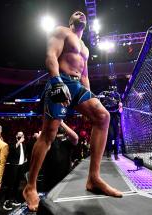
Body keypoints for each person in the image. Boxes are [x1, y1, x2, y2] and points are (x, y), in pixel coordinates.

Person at [23, 10, 122, 211]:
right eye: (76, 13)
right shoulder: (61, 31)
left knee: (103, 116)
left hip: (78, 86)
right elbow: (50, 55)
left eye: (84, 14)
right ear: (70, 21)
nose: (81, 13)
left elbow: (85, 75)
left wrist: (91, 96)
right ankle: (30, 186)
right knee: (48, 134)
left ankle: (94, 178)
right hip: (61, 80)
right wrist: (55, 80)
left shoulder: (85, 47)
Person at [41, 121, 78, 192]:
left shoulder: (67, 142)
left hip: (64, 176)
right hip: (50, 178)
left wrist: (61, 122)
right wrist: (61, 123)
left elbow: (75, 137)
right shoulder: (49, 142)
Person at [3, 131, 27, 210]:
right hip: (13, 166)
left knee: (17, 184)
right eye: (19, 135)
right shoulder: (12, 142)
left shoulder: (23, 144)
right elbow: (11, 150)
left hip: (20, 166)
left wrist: (25, 159)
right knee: (11, 184)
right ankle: (6, 202)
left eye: (22, 135)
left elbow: (24, 153)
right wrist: (18, 142)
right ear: (16, 136)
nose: (20, 136)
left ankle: (13, 200)